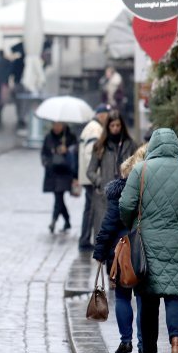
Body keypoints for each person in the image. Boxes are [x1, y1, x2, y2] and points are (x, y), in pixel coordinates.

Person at [119, 128, 178, 353]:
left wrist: (132, 224)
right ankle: (176, 345)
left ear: (152, 146)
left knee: (149, 301)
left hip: (147, 244)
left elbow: (125, 204)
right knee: (175, 298)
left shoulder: (140, 170)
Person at [93, 145, 147, 353]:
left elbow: (108, 225)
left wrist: (99, 252)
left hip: (121, 251)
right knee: (143, 299)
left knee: (123, 296)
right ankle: (144, 345)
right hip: (144, 249)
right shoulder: (149, 189)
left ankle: (126, 340)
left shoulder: (119, 192)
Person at [87, 110, 137, 244]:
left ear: (122, 126)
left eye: (118, 125)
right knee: (105, 239)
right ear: (108, 127)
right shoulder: (100, 146)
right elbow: (90, 171)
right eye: (112, 125)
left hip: (125, 195)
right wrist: (100, 182)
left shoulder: (131, 145)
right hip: (105, 197)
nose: (115, 128)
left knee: (123, 240)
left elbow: (137, 167)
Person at [78, 104, 110, 250]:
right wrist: (95, 176)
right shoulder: (95, 130)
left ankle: (85, 239)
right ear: (101, 115)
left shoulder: (92, 127)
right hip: (91, 178)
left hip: (87, 176)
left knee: (89, 208)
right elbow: (89, 153)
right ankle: (85, 240)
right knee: (91, 209)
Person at [41, 122, 78, 234]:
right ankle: (67, 220)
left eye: (59, 125)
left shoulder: (70, 137)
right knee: (59, 197)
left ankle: (53, 220)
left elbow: (76, 152)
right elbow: (44, 153)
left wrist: (67, 150)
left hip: (64, 172)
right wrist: (46, 162)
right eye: (55, 124)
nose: (57, 127)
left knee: (58, 196)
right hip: (52, 172)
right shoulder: (48, 137)